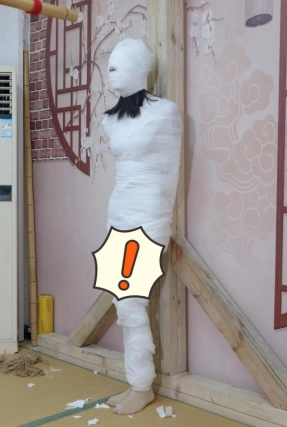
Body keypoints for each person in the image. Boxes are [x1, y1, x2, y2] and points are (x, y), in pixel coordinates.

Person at [101, 38, 183, 415]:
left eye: (120, 62)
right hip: (118, 209)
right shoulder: (109, 119)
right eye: (110, 63)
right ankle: (134, 381)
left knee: (133, 301)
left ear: (140, 67)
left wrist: (159, 219)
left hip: (148, 212)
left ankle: (141, 386)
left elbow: (169, 173)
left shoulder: (166, 112)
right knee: (122, 303)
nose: (111, 68)